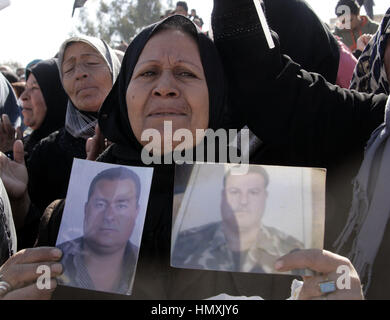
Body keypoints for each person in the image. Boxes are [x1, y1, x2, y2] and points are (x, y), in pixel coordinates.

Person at [33, 12, 367, 300]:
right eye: (148, 73)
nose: (165, 87)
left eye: (186, 73)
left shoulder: (276, 212)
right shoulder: (68, 222)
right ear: (123, 95)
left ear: (218, 95)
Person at [173, 166, 303, 274]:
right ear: (223, 197)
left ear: (265, 197)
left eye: (253, 192)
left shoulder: (292, 250)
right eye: (235, 192)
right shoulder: (183, 243)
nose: (243, 201)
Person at [57, 167, 140, 295]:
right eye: (100, 204)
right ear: (86, 209)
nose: (109, 216)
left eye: (121, 205)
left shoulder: (151, 266)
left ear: (136, 212)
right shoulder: (55, 257)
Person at [350, 8, 390, 95]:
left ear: (358, 14)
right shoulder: (340, 34)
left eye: (350, 19)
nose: (348, 23)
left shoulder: (378, 28)